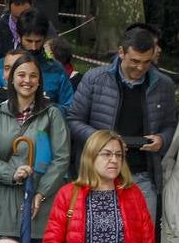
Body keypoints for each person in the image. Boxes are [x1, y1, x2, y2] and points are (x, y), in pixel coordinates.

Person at [68, 26, 175, 226]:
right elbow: (74, 120)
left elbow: (170, 125)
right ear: (121, 52)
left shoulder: (164, 85)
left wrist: (162, 139)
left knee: (143, 241)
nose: (140, 68)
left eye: (146, 62)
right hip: (98, 175)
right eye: (134, 61)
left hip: (143, 175)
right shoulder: (95, 79)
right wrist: (103, 141)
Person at [0, 54, 70, 243]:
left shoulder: (52, 115)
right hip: (4, 205)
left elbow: (61, 158)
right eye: (21, 75)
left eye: (33, 76)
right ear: (11, 79)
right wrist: (12, 173)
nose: (27, 80)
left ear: (39, 81)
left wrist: (41, 193)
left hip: (40, 206)